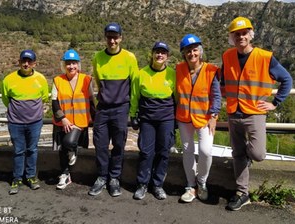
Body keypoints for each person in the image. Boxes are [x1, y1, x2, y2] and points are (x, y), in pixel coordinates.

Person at [221, 16, 293, 211]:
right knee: (237, 153)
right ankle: (241, 193)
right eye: (236, 34)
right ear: (232, 37)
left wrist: (275, 103)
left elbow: (287, 79)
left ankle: (247, 161)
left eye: (244, 33)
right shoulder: (227, 56)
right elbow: (223, 81)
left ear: (250, 34)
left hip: (255, 113)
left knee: (258, 153)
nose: (241, 37)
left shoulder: (264, 57)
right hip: (233, 112)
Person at [88, 22, 139, 197]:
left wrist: (132, 110)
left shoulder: (129, 57)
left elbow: (135, 86)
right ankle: (102, 177)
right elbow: (98, 82)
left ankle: (114, 178)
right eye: (109, 37)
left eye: (115, 37)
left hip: (121, 109)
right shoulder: (97, 58)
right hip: (103, 109)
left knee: (118, 145)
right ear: (105, 38)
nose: (112, 40)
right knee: (100, 145)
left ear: (120, 38)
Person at [176, 34, 221, 203]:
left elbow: (216, 96)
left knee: (206, 151)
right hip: (184, 117)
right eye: (188, 51)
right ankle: (190, 185)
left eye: (195, 50)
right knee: (187, 151)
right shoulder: (179, 69)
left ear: (200, 52)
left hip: (204, 118)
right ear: (184, 54)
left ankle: (201, 182)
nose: (192, 54)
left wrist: (214, 115)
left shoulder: (211, 70)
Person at [130, 42, 176, 200]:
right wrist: (133, 115)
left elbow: (176, 98)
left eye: (163, 53)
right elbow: (135, 96)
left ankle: (157, 185)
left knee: (163, 152)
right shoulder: (141, 74)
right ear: (152, 54)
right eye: (157, 52)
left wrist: (176, 120)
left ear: (167, 56)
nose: (160, 55)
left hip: (166, 119)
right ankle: (142, 184)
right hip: (147, 119)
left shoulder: (172, 74)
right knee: (145, 152)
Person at [1, 49, 49, 195]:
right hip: (15, 123)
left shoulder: (41, 79)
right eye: (24, 61)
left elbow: (44, 97)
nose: (26, 64)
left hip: (35, 122)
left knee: (32, 150)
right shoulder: (8, 79)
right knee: (18, 150)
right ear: (19, 62)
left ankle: (31, 177)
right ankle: (16, 178)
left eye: (29, 61)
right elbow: (5, 99)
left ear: (34, 63)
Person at [51, 49, 96, 190]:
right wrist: (63, 119)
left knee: (68, 142)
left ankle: (73, 151)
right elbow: (54, 101)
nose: (71, 66)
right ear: (64, 65)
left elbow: (91, 100)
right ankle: (64, 175)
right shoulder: (57, 80)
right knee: (62, 149)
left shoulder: (86, 80)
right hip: (63, 121)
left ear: (78, 64)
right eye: (68, 63)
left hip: (80, 121)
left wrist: (95, 120)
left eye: (74, 63)